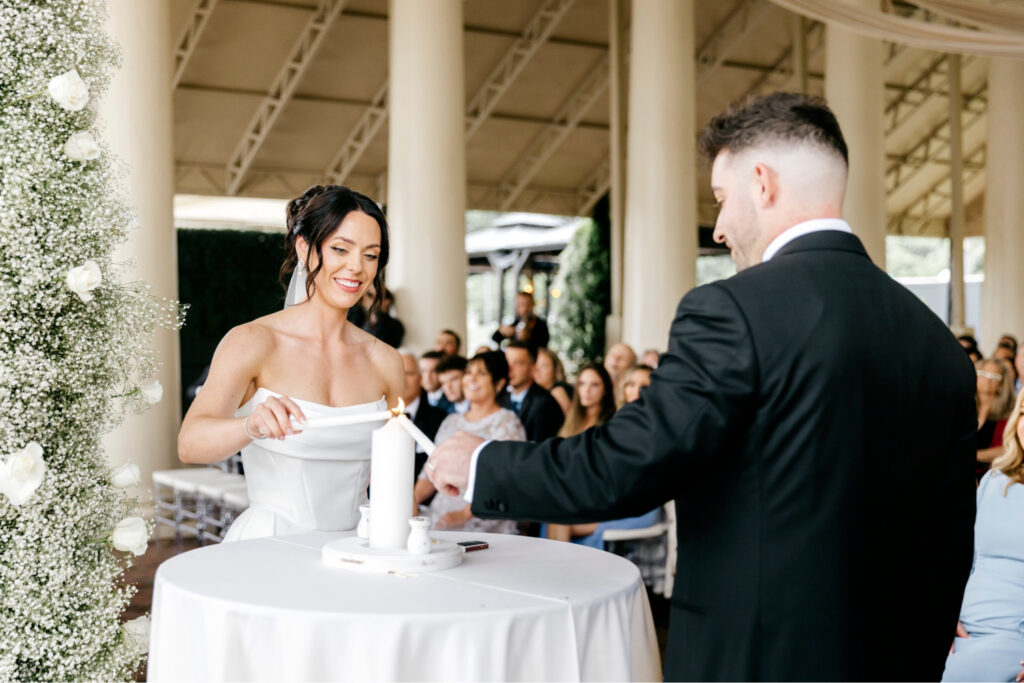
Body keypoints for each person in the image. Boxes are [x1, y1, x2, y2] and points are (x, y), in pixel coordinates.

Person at [427, 93, 977, 681]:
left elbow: (629, 462)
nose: (718, 229)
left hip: (756, 659)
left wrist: (486, 463)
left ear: (761, 183)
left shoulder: (733, 310)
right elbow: (950, 535)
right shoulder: (936, 343)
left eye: (721, 199)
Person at [178, 184, 405, 541]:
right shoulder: (253, 341)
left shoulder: (387, 363)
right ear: (304, 248)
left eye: (371, 255)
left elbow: (392, 474)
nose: (356, 267)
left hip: (357, 550)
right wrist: (250, 426)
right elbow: (190, 444)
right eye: (340, 249)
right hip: (269, 547)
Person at [943, 390, 1024, 682]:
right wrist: (944, 616)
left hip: (1013, 639)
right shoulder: (994, 481)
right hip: (963, 630)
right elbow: (966, 560)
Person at [549, 363, 660, 546]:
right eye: (631, 384)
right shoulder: (621, 421)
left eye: (644, 386)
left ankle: (560, 569)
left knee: (560, 516)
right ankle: (558, 567)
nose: (636, 391)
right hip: (608, 495)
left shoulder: (650, 427)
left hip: (635, 501)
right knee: (556, 511)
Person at [414, 352, 524, 533]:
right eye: (468, 372)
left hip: (482, 517)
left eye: (481, 373)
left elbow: (504, 479)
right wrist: (411, 501)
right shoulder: (451, 421)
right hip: (440, 513)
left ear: (499, 383)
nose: (471, 379)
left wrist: (464, 515)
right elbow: (430, 471)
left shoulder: (507, 422)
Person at [500, 341, 564, 442]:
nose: (510, 368)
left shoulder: (544, 403)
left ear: (532, 368)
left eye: (518, 363)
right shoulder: (501, 397)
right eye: (507, 362)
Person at [398, 349, 447, 477]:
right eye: (397, 373)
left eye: (408, 373)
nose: (402, 379)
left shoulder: (440, 419)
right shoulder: (378, 416)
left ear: (420, 378)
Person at [975, 357, 1017, 477]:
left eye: (994, 377)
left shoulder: (1009, 412)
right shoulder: (964, 406)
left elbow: (1009, 448)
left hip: (992, 475)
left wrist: (974, 455)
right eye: (983, 373)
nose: (987, 380)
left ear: (1002, 383)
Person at [533, 347, 573, 415]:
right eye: (535, 365)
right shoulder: (540, 393)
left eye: (544, 366)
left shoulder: (558, 391)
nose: (537, 370)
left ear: (555, 369)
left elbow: (571, 423)